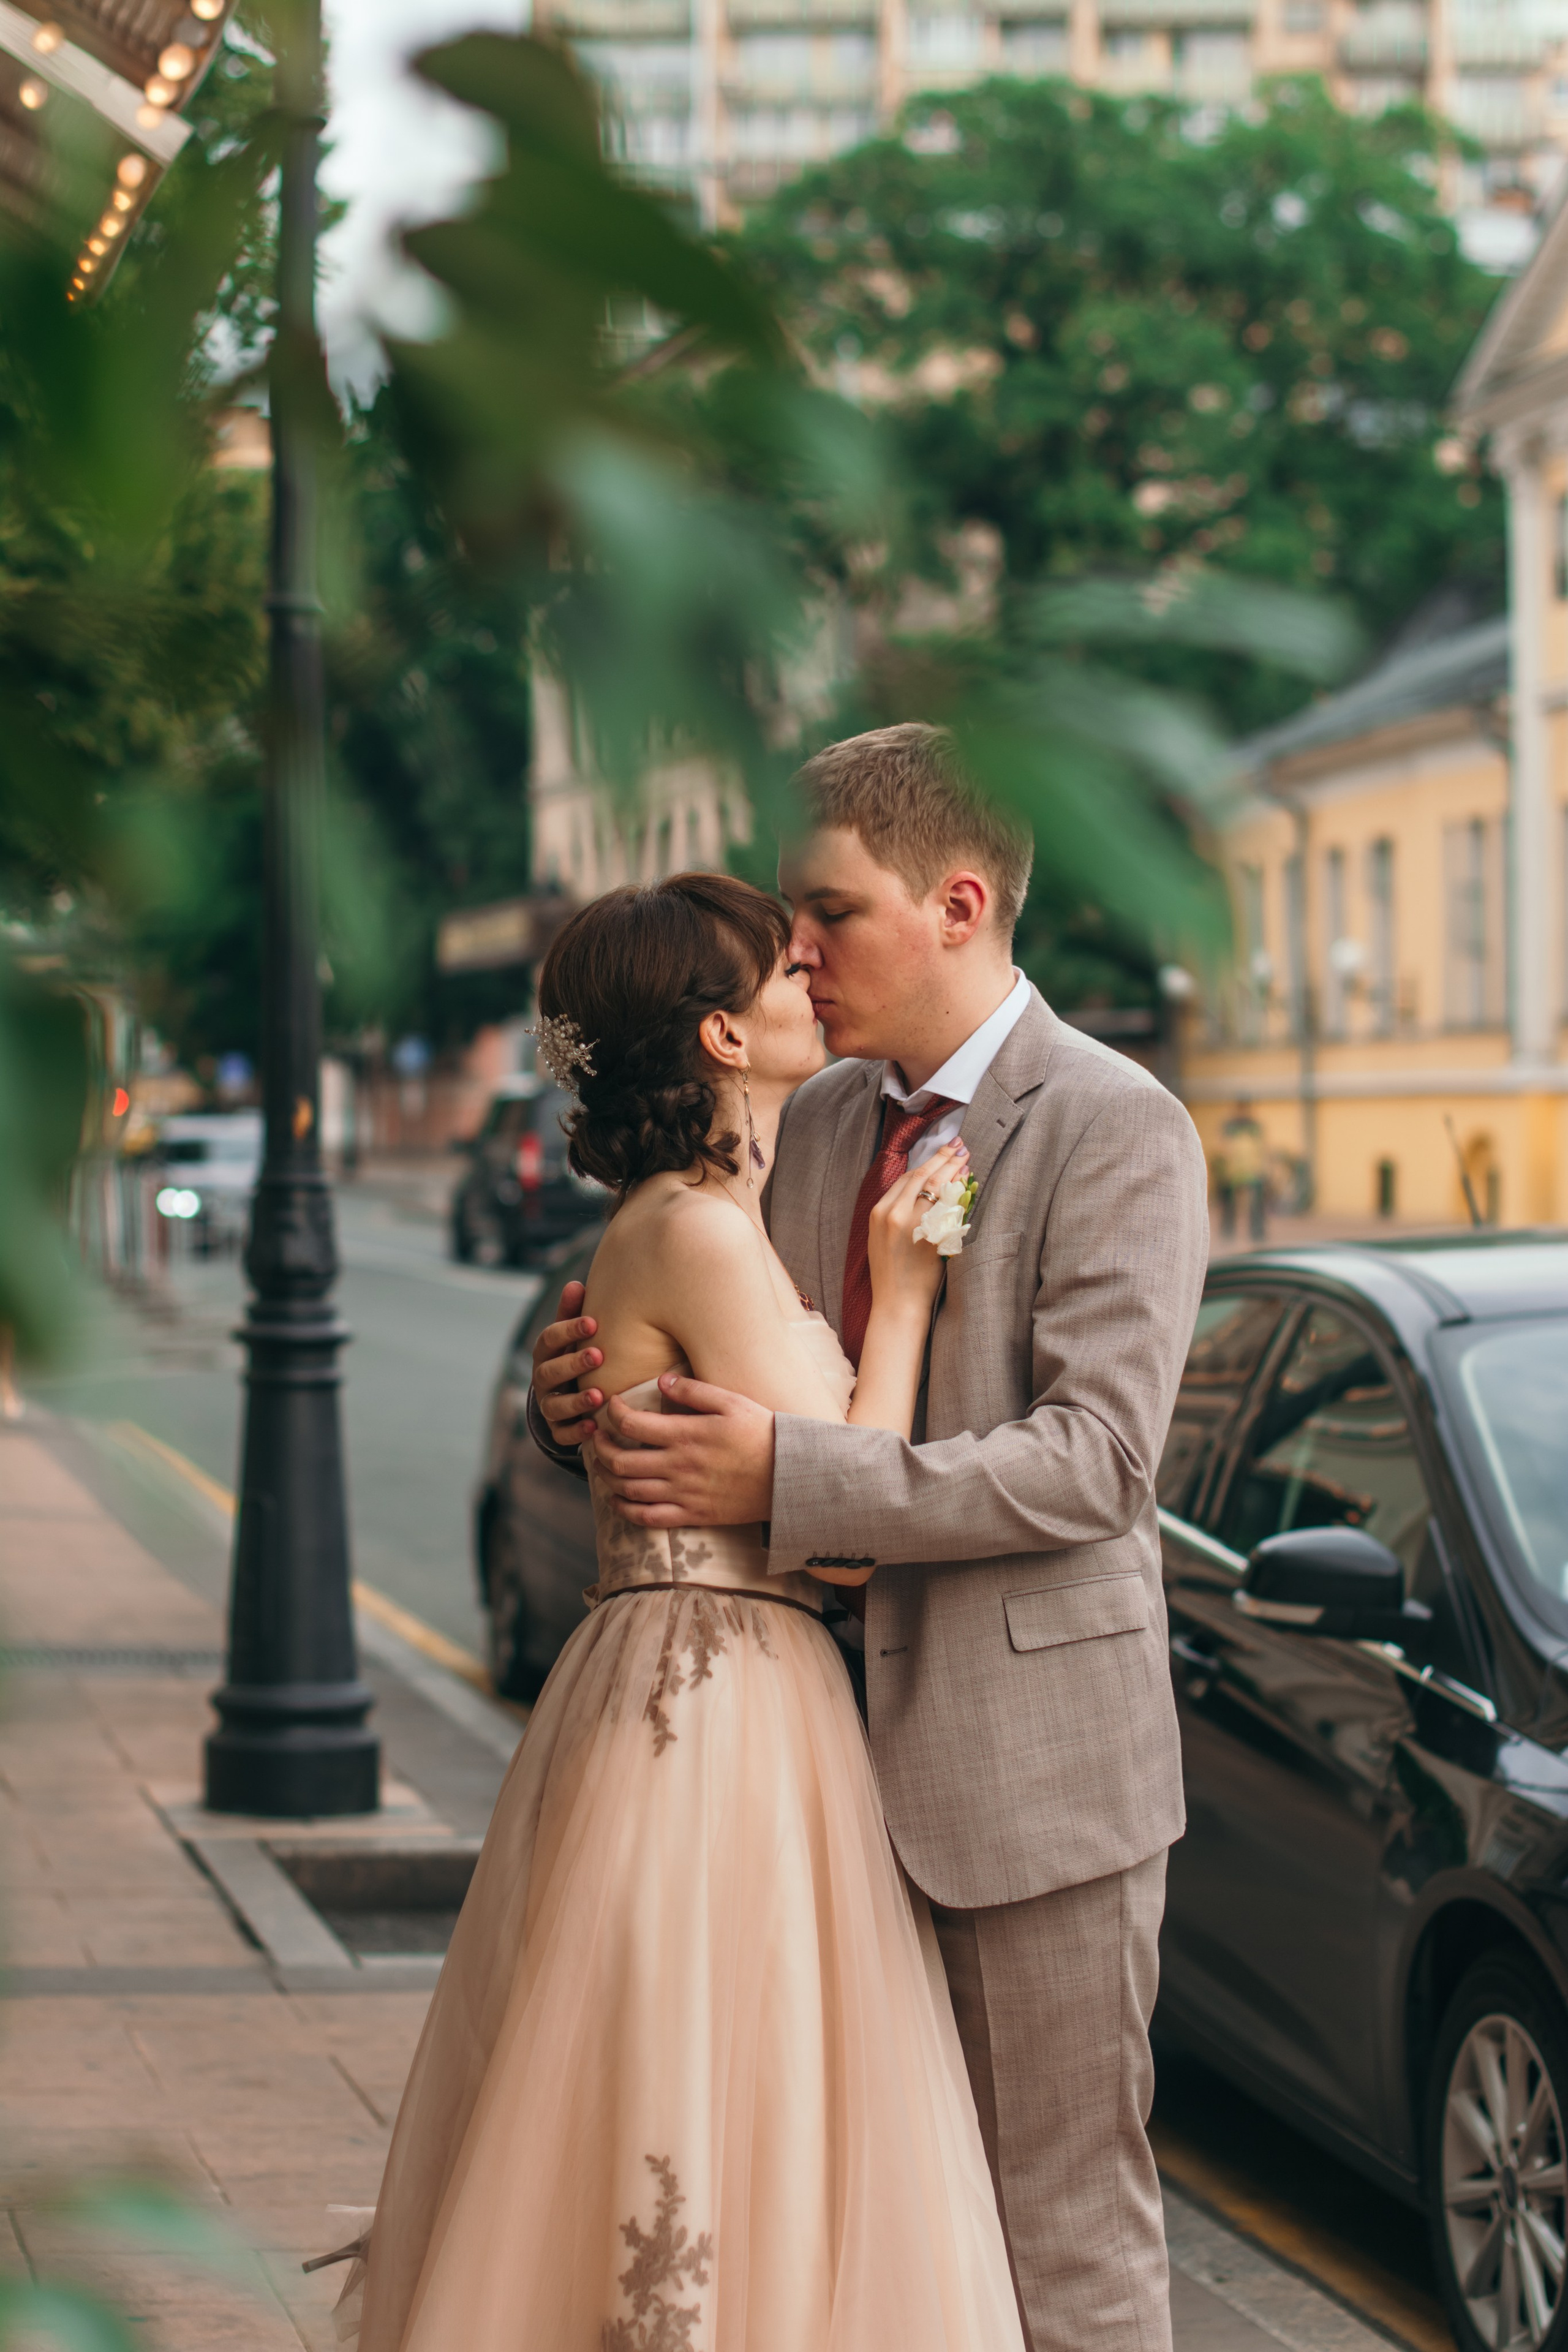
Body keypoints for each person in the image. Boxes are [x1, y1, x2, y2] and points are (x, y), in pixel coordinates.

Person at [533, 724, 1210, 2352]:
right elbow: (719, 1345)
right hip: (784, 1780)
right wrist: (585, 1399)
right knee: (849, 2245)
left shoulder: (1116, 1124)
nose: (798, 949)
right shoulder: (811, 1117)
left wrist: (792, 1481)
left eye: (827, 912)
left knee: (1055, 2235)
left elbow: (1096, 1462)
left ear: (955, 904)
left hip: (1022, 1780)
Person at [332, 871, 1026, 2352]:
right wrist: (902, 1299)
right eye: (782, 965)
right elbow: (846, 1536)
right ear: (719, 1035)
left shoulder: (712, 1217)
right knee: (704, 2080)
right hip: (714, 1708)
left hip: (707, 1687)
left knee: (700, 2083)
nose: (810, 972)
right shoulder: (695, 1234)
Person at [1218, 1098, 1267, 1242]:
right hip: (1232, 1172)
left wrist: (1263, 1167)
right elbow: (1223, 1146)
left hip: (1253, 1171)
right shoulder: (1229, 1126)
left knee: (1256, 1205)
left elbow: (1262, 1146)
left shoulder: (1254, 1126)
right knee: (1229, 1206)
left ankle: (1257, 1233)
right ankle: (1227, 1232)